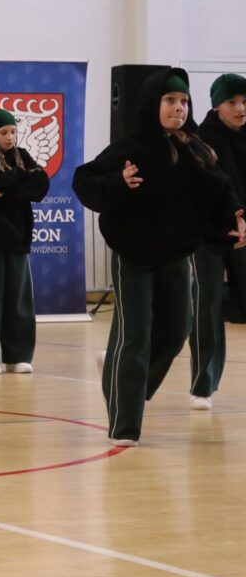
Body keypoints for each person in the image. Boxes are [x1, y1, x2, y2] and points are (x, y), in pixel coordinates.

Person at [73, 68, 245, 446]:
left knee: (176, 330)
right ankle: (125, 426)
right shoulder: (131, 147)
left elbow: (220, 190)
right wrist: (118, 183)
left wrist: (235, 217)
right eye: (170, 100)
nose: (179, 108)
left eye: (184, 101)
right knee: (136, 336)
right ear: (154, 103)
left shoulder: (195, 149)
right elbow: (84, 180)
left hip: (174, 255)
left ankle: (119, 378)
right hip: (132, 255)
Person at [0, 108, 50, 375]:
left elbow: (42, 184)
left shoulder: (21, 155)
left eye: (13, 131)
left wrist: (8, 190)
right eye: (4, 132)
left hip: (18, 236)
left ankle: (18, 356)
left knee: (19, 300)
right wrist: (21, 178)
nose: (10, 137)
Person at [186, 73, 246, 410]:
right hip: (208, 233)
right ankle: (203, 384)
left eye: (245, 102)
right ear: (216, 106)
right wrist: (234, 217)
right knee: (207, 302)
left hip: (243, 232)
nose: (240, 109)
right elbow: (213, 186)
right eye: (232, 102)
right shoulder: (201, 140)